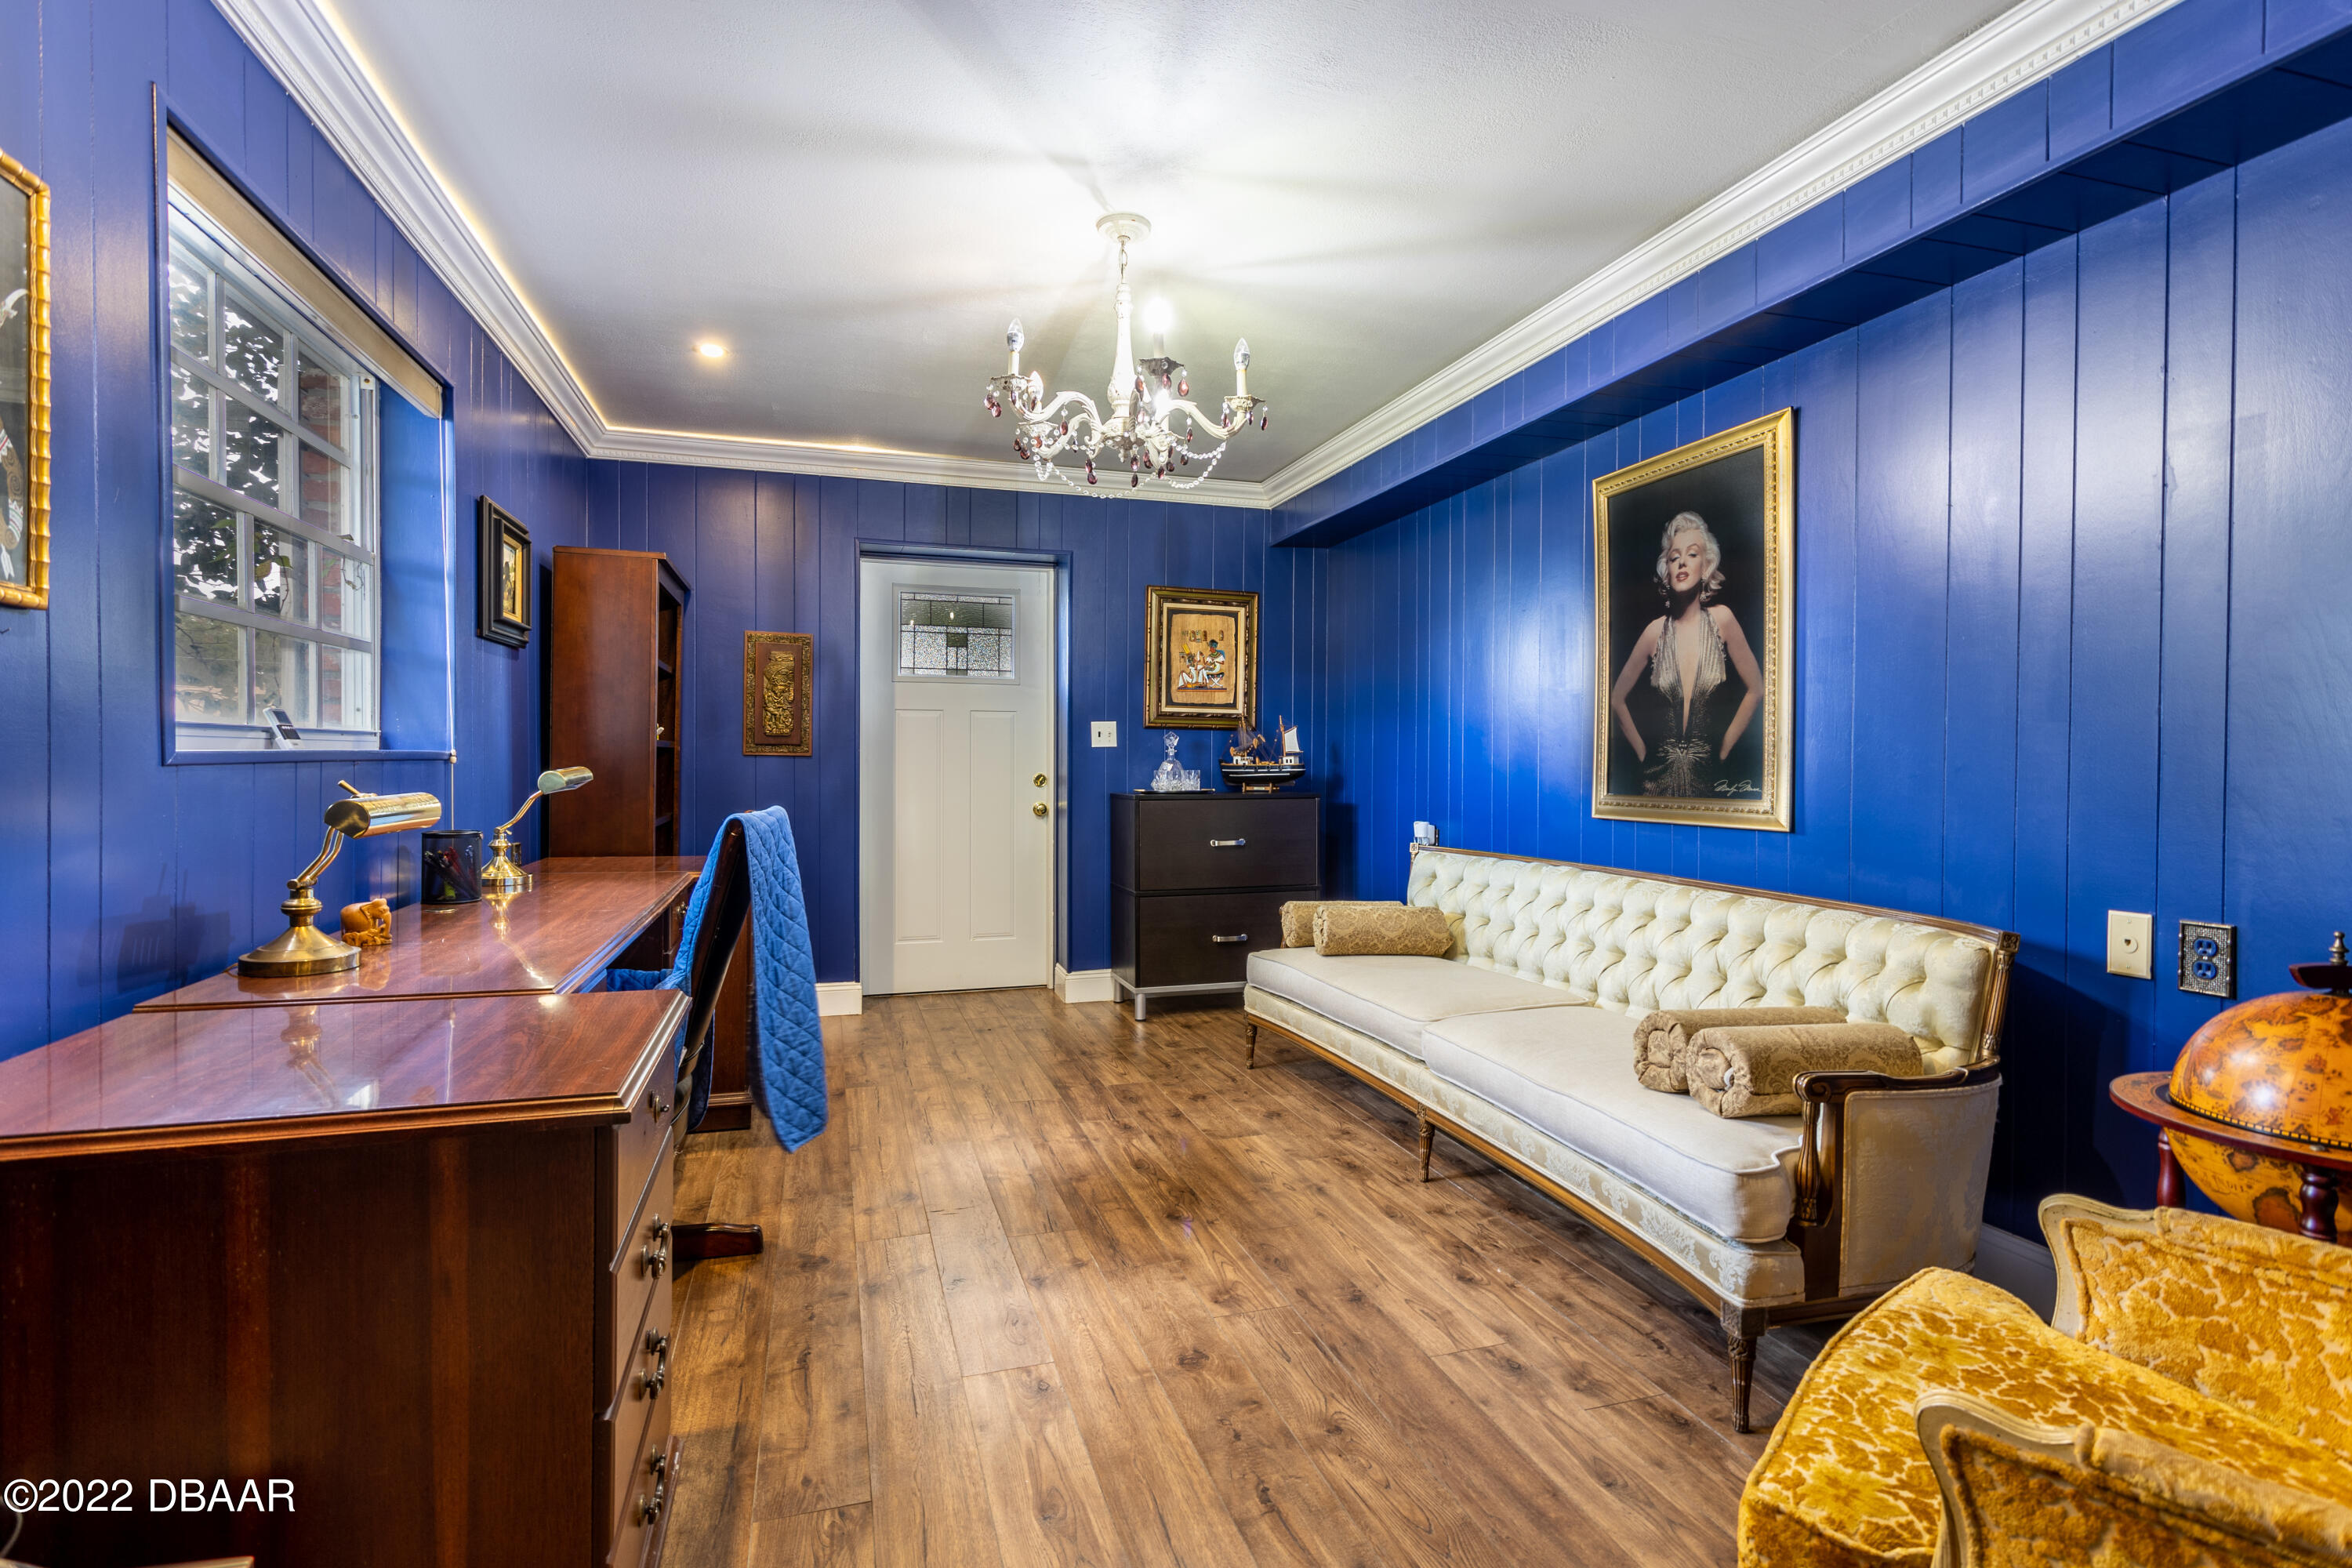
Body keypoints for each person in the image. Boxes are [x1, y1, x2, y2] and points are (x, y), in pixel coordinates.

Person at [1607, 511, 1762, 797]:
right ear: (1666, 570)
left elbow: (1757, 689)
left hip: (1711, 779)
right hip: (1655, 784)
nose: (1681, 562)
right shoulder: (1654, 632)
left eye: (1692, 554)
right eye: (1673, 557)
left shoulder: (1723, 620)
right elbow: (1616, 699)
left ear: (1706, 567)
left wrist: (1725, 748)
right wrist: (1643, 755)